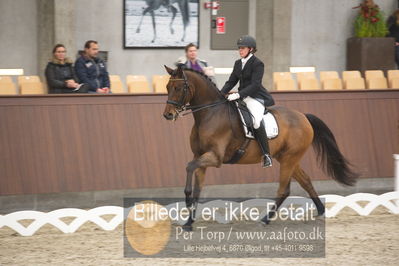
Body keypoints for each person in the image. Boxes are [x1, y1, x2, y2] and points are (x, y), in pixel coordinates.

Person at [221, 35, 275, 168]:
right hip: (241, 97)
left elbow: (255, 85)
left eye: (243, 48)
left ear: (251, 49)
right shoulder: (238, 63)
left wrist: (238, 94)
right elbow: (231, 81)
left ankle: (266, 154)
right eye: (239, 48)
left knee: (256, 121)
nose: (240, 50)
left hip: (255, 97)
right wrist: (220, 94)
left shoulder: (257, 63)